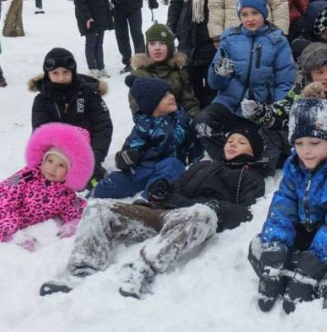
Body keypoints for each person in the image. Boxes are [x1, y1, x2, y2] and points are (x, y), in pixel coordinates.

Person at [41, 124, 269, 298]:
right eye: (230, 140)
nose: (232, 144)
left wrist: (213, 206)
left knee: (202, 212)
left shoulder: (251, 179)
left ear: (253, 151)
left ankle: (142, 270)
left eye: (240, 142)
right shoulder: (203, 165)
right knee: (99, 209)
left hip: (191, 221)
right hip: (160, 213)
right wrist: (161, 188)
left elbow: (246, 214)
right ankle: (82, 268)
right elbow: (176, 186)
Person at [250, 97, 327, 315]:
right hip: (308, 227)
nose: (305, 151)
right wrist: (276, 245)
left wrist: (318, 256)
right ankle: (290, 266)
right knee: (261, 246)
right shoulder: (294, 166)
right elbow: (284, 206)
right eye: (299, 143)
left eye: (314, 143)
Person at [197, 0, 296, 167]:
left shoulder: (277, 40)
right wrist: (219, 72)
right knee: (202, 123)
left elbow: (284, 81)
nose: (250, 19)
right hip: (229, 103)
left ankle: (253, 161)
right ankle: (226, 161)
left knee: (275, 139)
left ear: (264, 14)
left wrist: (274, 110)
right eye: (244, 14)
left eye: (255, 13)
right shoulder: (230, 38)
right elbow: (214, 83)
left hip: (260, 107)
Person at [93, 77, 201, 199]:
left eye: (169, 92)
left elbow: (194, 142)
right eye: (164, 96)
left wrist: (195, 163)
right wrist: (125, 159)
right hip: (145, 168)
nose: (171, 96)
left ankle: (151, 197)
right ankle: (94, 193)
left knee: (171, 166)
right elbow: (130, 149)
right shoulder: (144, 126)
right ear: (151, 104)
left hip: (170, 168)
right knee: (117, 182)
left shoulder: (183, 120)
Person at [0, 123, 93, 248]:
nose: (53, 168)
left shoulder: (65, 192)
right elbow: (7, 191)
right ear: (43, 160)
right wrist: (11, 226)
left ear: (70, 170)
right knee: (7, 217)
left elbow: (74, 208)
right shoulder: (29, 175)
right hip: (7, 207)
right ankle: (14, 239)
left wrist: (73, 224)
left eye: (61, 165)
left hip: (22, 219)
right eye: (50, 161)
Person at [30, 48, 113, 184]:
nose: (61, 78)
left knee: (89, 185)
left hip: (85, 157)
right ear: (47, 74)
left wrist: (94, 159)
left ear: (73, 72)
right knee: (34, 182)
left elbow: (103, 127)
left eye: (65, 72)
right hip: (55, 159)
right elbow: (40, 133)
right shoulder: (42, 100)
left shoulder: (89, 94)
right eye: (55, 73)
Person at [129, 23, 200, 117]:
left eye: (162, 43)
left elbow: (189, 103)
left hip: (180, 123)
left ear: (170, 48)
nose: (157, 48)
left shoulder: (179, 74)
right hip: (152, 126)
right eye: (152, 44)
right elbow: (137, 109)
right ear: (147, 48)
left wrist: (193, 121)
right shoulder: (139, 75)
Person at [72, 0, 113, 78]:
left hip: (100, 17)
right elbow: (80, 3)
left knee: (99, 43)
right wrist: (87, 17)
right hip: (90, 19)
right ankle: (92, 68)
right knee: (91, 43)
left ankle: (101, 67)